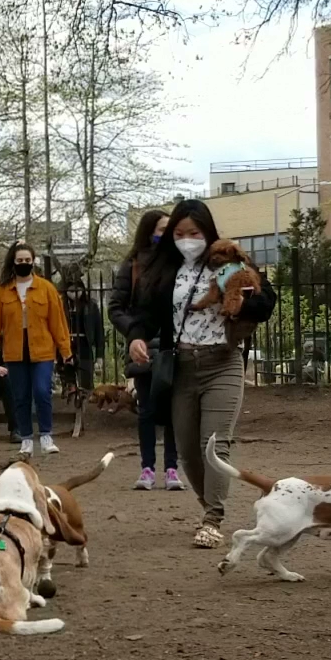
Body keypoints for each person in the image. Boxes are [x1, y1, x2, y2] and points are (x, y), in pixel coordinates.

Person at [125, 198, 277, 547]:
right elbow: (145, 313)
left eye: (194, 233)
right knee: (188, 450)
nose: (187, 240)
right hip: (181, 366)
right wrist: (136, 337)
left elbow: (266, 301)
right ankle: (208, 503)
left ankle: (213, 519)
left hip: (222, 362)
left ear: (207, 232)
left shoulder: (232, 261)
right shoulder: (165, 269)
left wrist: (243, 304)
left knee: (215, 444)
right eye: (179, 234)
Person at [108, 209, 181, 490]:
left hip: (176, 346)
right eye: (162, 229)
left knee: (175, 410)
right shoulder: (134, 265)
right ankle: (147, 468)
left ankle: (172, 468)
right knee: (147, 410)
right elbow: (116, 307)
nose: (167, 234)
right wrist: (134, 335)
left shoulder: (180, 262)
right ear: (150, 232)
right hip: (144, 348)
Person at [0, 242, 73, 457]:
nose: (24, 263)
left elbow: (58, 322)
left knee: (42, 391)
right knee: (20, 396)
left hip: (42, 349)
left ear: (33, 262)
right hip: (15, 351)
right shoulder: (3, 292)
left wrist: (66, 351)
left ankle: (46, 435)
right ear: (13, 262)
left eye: (27, 260)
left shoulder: (46, 289)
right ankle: (26, 439)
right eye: (20, 260)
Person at [63, 275, 104, 406]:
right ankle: (71, 403)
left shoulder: (91, 306)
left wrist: (99, 355)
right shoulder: (62, 306)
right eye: (71, 290)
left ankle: (86, 405)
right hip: (67, 345)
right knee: (68, 379)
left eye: (77, 289)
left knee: (86, 380)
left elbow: (99, 330)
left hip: (85, 344)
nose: (74, 293)